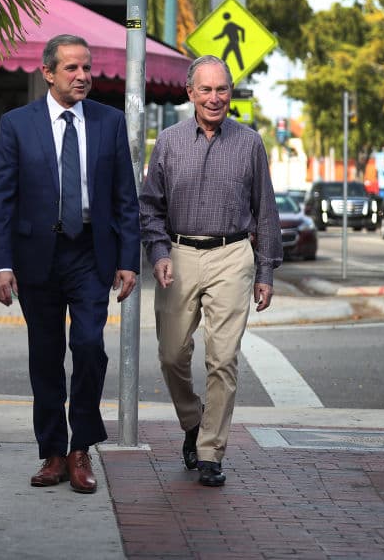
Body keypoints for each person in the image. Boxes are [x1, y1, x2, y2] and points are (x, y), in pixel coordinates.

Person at [0, 34, 140, 494]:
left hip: (90, 253)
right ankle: (53, 452)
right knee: (46, 357)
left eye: (87, 68)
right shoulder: (17, 124)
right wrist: (1, 264)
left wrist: (128, 259)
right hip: (37, 256)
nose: (83, 76)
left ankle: (81, 449)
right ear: (48, 72)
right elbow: (1, 201)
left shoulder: (109, 123)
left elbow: (125, 198)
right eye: (72, 68)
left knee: (90, 347)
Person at [139, 54, 282, 488]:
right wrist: (159, 253)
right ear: (190, 93)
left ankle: (210, 451)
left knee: (223, 360)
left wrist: (266, 271)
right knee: (171, 354)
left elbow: (265, 211)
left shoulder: (249, 143)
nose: (215, 97)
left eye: (222, 89)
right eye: (206, 89)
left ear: (230, 93)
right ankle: (192, 419)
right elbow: (150, 206)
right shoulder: (167, 142)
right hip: (179, 254)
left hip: (232, 255)